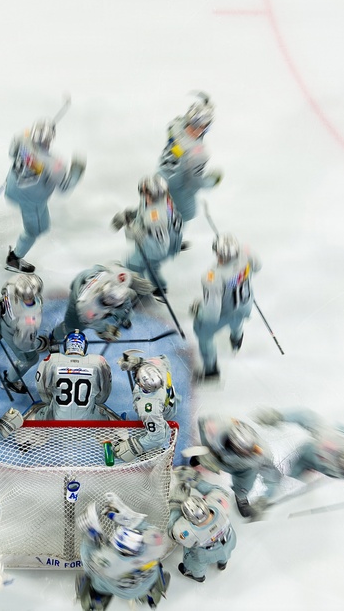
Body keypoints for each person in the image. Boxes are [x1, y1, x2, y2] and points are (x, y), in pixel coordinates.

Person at [254, 407, 344, 502]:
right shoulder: (328, 440)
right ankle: (265, 494)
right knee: (286, 479)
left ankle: (268, 494)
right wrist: (279, 416)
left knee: (289, 481)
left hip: (322, 461)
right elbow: (307, 417)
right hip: (310, 455)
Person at [3, 118, 86, 273]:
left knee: (42, 223)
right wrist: (76, 172)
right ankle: (14, 258)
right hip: (32, 201)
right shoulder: (53, 164)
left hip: (12, 190)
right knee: (37, 230)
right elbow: (64, 188)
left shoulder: (21, 139)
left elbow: (11, 153)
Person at [76, 493, 170, 610]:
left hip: (120, 590)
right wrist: (133, 520)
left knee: (96, 579)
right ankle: (151, 594)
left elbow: (88, 563)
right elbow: (155, 533)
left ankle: (97, 600)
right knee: (156, 565)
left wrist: (89, 537)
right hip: (145, 583)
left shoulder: (109, 560)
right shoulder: (151, 549)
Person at [190, 234, 261, 379]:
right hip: (245, 306)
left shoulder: (212, 277)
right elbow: (257, 266)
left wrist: (199, 311)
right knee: (237, 321)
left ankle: (211, 370)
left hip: (225, 312)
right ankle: (236, 338)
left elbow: (212, 313)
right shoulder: (245, 255)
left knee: (203, 334)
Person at [193, 415, 281, 519]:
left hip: (244, 470)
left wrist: (264, 500)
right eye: (242, 450)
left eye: (248, 450)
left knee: (244, 487)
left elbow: (273, 478)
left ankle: (240, 496)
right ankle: (200, 458)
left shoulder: (262, 454)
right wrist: (206, 451)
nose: (247, 453)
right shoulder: (220, 427)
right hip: (219, 458)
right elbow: (203, 423)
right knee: (206, 459)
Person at [112, 174, 184, 293]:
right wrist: (131, 214)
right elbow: (142, 210)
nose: (146, 197)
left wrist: (129, 226)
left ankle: (141, 292)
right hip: (166, 242)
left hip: (155, 247)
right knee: (152, 267)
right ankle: (160, 288)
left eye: (149, 194)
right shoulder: (161, 200)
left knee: (132, 265)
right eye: (144, 192)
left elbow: (140, 234)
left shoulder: (156, 216)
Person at [156, 92, 222, 222]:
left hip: (161, 173)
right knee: (187, 213)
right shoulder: (198, 153)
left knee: (155, 202)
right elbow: (194, 182)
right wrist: (211, 181)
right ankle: (172, 238)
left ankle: (137, 215)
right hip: (177, 186)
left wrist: (203, 107)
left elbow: (178, 146)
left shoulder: (174, 125)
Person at [26, 330, 119, 421]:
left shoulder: (51, 360)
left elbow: (43, 392)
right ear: (84, 346)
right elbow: (103, 396)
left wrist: (52, 401)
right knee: (107, 418)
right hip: (89, 420)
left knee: (37, 413)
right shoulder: (99, 362)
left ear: (66, 345)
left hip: (55, 418)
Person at [52, 263, 154, 342]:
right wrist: (104, 330)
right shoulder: (88, 307)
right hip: (80, 297)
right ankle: (54, 336)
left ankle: (124, 318)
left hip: (97, 275)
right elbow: (89, 321)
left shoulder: (116, 281)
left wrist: (132, 279)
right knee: (73, 325)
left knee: (125, 305)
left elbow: (116, 267)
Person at [169, 481, 235, 583]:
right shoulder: (218, 505)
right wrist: (196, 480)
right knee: (226, 552)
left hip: (206, 554)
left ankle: (198, 576)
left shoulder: (189, 531)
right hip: (229, 540)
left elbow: (172, 533)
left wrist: (175, 503)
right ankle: (223, 563)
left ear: (188, 518)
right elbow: (217, 490)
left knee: (194, 563)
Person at [113, 352, 177, 458]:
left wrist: (134, 447)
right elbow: (162, 358)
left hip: (162, 413)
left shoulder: (149, 409)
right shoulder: (160, 365)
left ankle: (153, 454)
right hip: (169, 401)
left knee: (147, 448)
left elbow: (157, 437)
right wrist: (137, 362)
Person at [0, 273, 45, 394]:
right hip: (11, 331)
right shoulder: (29, 318)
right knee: (30, 359)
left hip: (3, 317)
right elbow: (23, 344)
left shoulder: (14, 281)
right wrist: (36, 344)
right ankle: (10, 380)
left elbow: (2, 291)